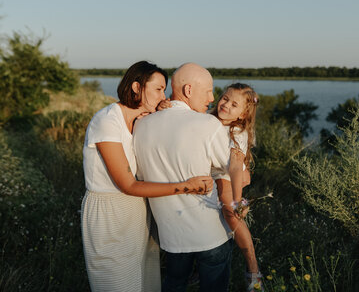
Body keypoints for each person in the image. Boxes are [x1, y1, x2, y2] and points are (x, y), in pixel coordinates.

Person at [81, 61, 214, 292]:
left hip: (138, 213)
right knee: (116, 283)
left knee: (144, 283)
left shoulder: (144, 121)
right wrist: (185, 186)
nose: (164, 96)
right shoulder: (107, 121)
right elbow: (128, 183)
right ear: (136, 87)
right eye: (158, 89)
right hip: (110, 215)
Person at [133, 63, 232, 292]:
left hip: (171, 236)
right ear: (188, 90)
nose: (212, 97)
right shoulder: (208, 123)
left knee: (174, 284)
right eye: (208, 90)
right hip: (210, 233)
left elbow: (141, 174)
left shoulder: (141, 125)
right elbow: (230, 168)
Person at [210, 83, 263, 291]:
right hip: (207, 170)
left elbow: (234, 164)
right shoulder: (208, 118)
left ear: (242, 115)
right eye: (224, 98)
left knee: (229, 210)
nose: (226, 105)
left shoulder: (237, 130)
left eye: (234, 104)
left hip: (226, 173)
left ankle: (252, 266)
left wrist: (237, 200)